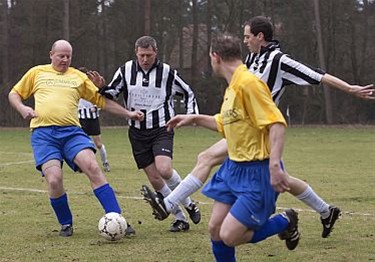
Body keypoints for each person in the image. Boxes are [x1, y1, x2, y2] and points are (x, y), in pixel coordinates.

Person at [142, 16, 375, 239]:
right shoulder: (252, 60)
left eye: (247, 36)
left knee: (207, 157)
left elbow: (317, 75)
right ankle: (326, 210)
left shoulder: (279, 60)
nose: (244, 41)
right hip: (241, 126)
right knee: (281, 178)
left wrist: (351, 89)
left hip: (259, 129)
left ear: (259, 36)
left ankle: (169, 203)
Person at [143, 34, 300, 261]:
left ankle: (284, 220)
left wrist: (275, 166)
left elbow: (276, 123)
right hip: (232, 169)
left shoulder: (249, 84)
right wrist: (194, 118)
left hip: (257, 172)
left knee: (229, 235)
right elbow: (226, 124)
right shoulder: (232, 87)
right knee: (215, 230)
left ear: (215, 57)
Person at [8, 39, 144, 237]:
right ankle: (66, 223)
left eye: (68, 56)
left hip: (72, 133)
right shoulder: (37, 72)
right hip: (44, 135)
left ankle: (116, 217)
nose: (64, 60)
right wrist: (22, 108)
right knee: (54, 180)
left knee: (93, 167)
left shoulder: (79, 77)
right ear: (51, 54)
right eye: (61, 56)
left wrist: (128, 114)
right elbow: (14, 94)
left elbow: (102, 101)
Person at [100, 36, 201, 232]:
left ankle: (189, 204)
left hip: (162, 128)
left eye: (148, 55)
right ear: (136, 53)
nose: (145, 59)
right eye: (141, 55)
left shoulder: (167, 73)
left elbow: (188, 92)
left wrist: (190, 116)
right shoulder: (126, 70)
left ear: (156, 53)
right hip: (137, 133)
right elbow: (113, 93)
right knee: (155, 179)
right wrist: (101, 87)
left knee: (164, 169)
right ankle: (180, 218)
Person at [77, 68, 111, 172]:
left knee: (98, 144)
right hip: (81, 119)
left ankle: (105, 162)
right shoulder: (75, 87)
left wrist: (96, 107)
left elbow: (102, 100)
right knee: (82, 144)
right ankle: (82, 166)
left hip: (93, 119)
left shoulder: (94, 87)